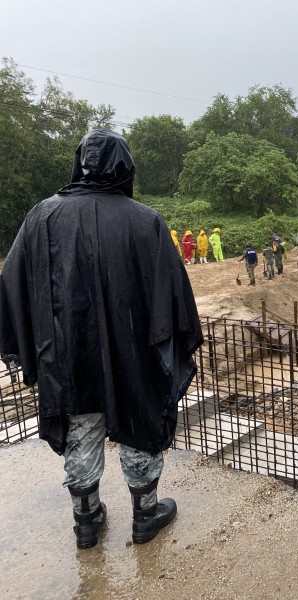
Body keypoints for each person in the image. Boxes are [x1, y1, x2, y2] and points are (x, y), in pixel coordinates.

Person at [0, 129, 203, 549]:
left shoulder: (40, 217)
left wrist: (36, 347)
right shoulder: (145, 221)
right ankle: (145, 515)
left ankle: (86, 521)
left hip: (67, 358)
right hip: (134, 356)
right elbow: (173, 299)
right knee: (140, 421)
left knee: (78, 428)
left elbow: (13, 285)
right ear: (124, 167)